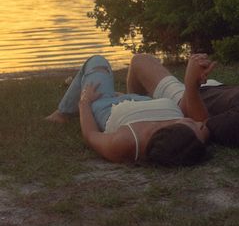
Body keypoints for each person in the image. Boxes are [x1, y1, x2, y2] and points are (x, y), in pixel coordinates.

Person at [46, 53, 214, 166]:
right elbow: (201, 120)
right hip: (145, 100)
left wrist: (84, 103)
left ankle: (63, 113)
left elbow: (91, 136)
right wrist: (194, 81)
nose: (201, 126)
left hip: (107, 105)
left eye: (196, 127)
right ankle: (118, 94)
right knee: (142, 58)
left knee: (97, 63)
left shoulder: (127, 141)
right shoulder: (192, 138)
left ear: (178, 133)